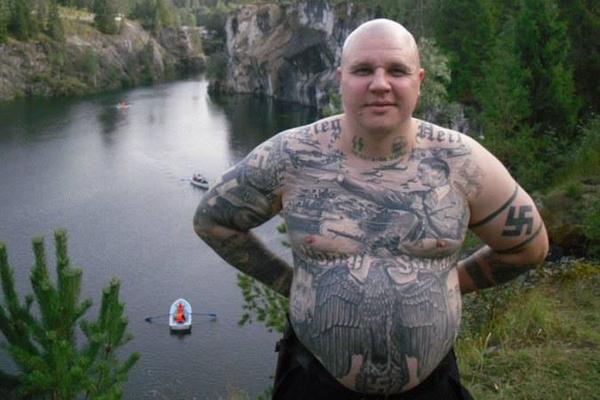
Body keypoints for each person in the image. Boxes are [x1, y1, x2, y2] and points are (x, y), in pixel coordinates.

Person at [193, 18, 548, 399]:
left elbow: (529, 247)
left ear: (419, 80)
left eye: (397, 70)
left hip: (431, 387)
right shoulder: (291, 157)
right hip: (313, 381)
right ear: (340, 78)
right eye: (363, 70)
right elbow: (212, 221)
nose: (380, 84)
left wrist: (451, 282)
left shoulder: (462, 163)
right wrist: (285, 281)